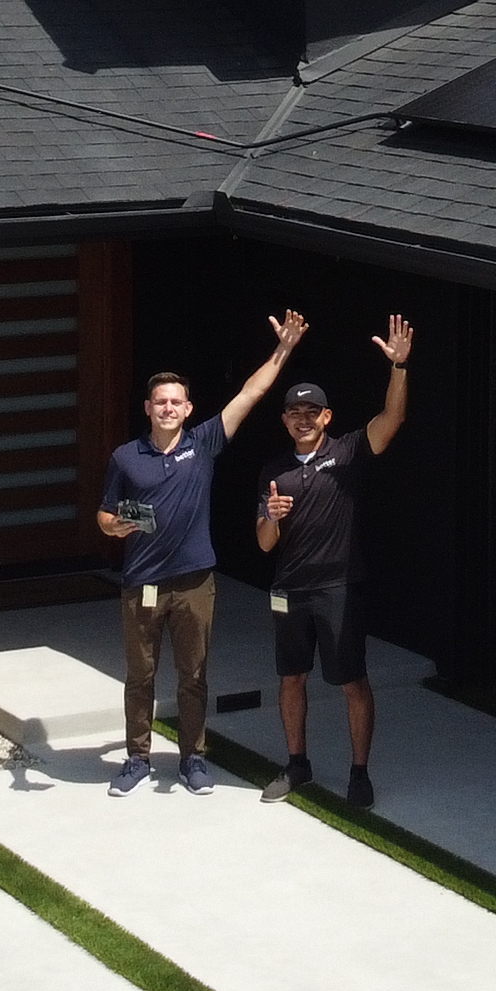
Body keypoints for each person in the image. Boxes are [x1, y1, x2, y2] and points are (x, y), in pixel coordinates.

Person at [92, 309, 306, 797]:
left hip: (194, 583)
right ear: (147, 408)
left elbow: (251, 394)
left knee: (193, 676)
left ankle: (192, 759)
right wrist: (116, 525)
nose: (169, 408)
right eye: (160, 401)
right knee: (139, 677)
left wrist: (284, 349)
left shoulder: (204, 444)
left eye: (177, 402)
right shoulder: (126, 457)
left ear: (189, 410)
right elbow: (102, 517)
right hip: (141, 584)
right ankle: (137, 760)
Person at [254, 311, 413, 807]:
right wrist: (272, 516)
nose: (302, 419)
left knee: (350, 681)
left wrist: (399, 367)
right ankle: (297, 764)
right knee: (291, 677)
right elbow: (263, 544)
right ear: (284, 420)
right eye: (293, 413)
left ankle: (359, 773)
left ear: (327, 417)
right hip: (289, 590)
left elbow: (391, 422)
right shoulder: (274, 469)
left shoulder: (346, 453)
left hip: (338, 588)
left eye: (311, 412)